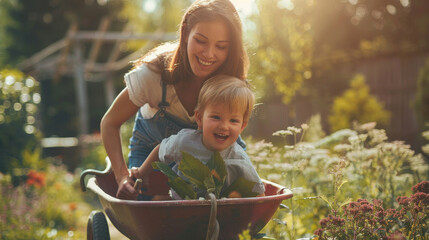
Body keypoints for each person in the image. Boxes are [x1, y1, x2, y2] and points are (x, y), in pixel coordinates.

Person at [100, 0, 249, 200]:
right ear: (186, 33)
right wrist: (122, 176)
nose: (209, 54)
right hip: (150, 157)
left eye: (221, 46)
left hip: (206, 154)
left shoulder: (230, 84)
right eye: (201, 41)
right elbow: (109, 123)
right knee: (152, 210)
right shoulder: (153, 76)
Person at [131, 75, 265, 200]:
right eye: (216, 117)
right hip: (178, 208)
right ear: (200, 118)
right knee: (157, 200)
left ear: (242, 126)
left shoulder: (239, 160)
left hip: (218, 215)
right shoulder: (185, 142)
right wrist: (141, 173)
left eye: (233, 121)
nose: (224, 126)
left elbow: (259, 195)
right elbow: (161, 150)